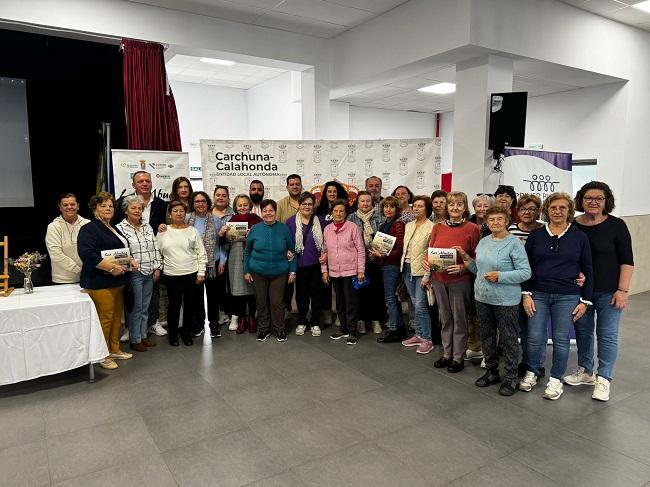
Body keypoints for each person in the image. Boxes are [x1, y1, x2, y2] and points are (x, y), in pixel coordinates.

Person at [518, 192, 593, 400]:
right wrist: (526, 293)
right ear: (546, 210)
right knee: (534, 337)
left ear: (569, 210)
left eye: (562, 207)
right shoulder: (536, 236)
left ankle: (556, 379)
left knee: (560, 339)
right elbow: (527, 267)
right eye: (553, 207)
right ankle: (532, 372)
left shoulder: (579, 237)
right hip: (538, 294)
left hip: (568, 295)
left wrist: (585, 301)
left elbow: (588, 269)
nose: (558, 211)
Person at [565, 181, 634, 401]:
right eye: (588, 198)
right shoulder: (573, 225)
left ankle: (604, 379)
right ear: (581, 200)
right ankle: (586, 372)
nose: (593, 202)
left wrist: (622, 290)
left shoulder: (617, 226)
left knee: (607, 335)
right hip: (581, 292)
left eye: (599, 198)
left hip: (609, 291)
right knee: (583, 332)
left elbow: (627, 261)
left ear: (606, 202)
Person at [455, 206, 531, 396]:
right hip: (482, 297)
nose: (495, 223)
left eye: (499, 219)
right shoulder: (484, 242)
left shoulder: (514, 244)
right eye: (491, 220)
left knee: (508, 339)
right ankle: (491, 372)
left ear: (506, 221)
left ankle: (511, 377)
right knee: (487, 336)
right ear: (487, 222)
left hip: (505, 300)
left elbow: (525, 272)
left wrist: (501, 276)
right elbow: (478, 270)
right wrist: (466, 259)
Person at [78, 191, 135, 370]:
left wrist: (130, 259)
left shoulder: (113, 227)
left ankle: (114, 349)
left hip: (117, 281)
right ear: (95, 209)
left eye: (110, 205)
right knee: (106, 319)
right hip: (99, 283)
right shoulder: (88, 229)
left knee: (117, 318)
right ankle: (102, 355)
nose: (108, 208)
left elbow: (121, 251)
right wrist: (111, 267)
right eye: (103, 205)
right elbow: (87, 255)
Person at [426, 191, 480, 373]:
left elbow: (476, 257)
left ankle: (458, 357)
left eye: (459, 204)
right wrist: (427, 261)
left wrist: (463, 268)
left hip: (460, 280)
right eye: (451, 204)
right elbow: (430, 249)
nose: (455, 208)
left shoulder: (472, 229)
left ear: (465, 208)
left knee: (460, 319)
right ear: (447, 207)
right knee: (445, 318)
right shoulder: (437, 227)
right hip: (439, 279)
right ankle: (447, 353)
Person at [113, 170, 168, 337]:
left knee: (152, 297)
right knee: (132, 301)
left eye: (147, 181)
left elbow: (164, 227)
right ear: (133, 185)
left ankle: (152, 323)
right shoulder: (122, 203)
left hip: (151, 262)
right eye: (140, 181)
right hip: (133, 266)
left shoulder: (161, 204)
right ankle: (131, 329)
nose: (145, 183)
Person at [244, 199, 297, 342]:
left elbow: (293, 251)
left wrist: (292, 271)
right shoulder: (255, 229)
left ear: (275, 212)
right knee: (261, 301)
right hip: (258, 271)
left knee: (277, 302)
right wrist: (246, 271)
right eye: (265, 211)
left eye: (271, 211)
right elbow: (247, 251)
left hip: (279, 272)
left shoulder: (284, 229)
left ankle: (280, 329)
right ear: (261, 212)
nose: (268, 213)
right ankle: (263, 329)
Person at [157, 200, 208, 347]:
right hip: (171, 275)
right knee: (174, 305)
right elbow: (158, 253)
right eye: (175, 211)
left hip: (191, 273)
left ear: (185, 213)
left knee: (189, 305)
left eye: (181, 211)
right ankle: (173, 334)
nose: (179, 213)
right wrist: (159, 268)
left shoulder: (192, 230)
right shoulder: (163, 231)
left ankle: (186, 332)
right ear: (170, 214)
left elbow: (201, 253)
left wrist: (201, 273)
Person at [116, 195, 162, 352]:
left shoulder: (147, 227)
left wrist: (157, 268)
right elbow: (120, 254)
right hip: (134, 274)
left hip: (150, 272)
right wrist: (129, 264)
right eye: (133, 208)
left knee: (145, 307)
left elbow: (155, 248)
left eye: (139, 208)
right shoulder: (119, 229)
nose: (137, 211)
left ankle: (143, 335)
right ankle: (135, 339)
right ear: (126, 210)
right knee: (135, 308)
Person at [508, 193, 544, 377]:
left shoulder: (544, 231)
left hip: (538, 285)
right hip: (514, 286)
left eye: (532, 209)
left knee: (535, 329)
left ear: (538, 211)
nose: (527, 212)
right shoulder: (511, 230)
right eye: (523, 208)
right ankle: (526, 361)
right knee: (520, 326)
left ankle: (536, 364)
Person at [322, 199, 366, 346]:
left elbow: (361, 250)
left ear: (346, 213)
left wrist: (361, 270)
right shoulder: (327, 229)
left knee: (351, 302)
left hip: (351, 272)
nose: (338, 213)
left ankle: (352, 331)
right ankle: (343, 328)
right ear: (331, 213)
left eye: (341, 211)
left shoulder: (353, 227)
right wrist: (324, 271)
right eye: (335, 211)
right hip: (334, 272)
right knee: (340, 302)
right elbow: (324, 251)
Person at [187, 191, 227, 338]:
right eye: (197, 201)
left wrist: (222, 260)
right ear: (193, 203)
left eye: (203, 201)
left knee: (213, 297)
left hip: (212, 264)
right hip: (194, 265)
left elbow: (222, 242)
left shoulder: (216, 220)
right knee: (196, 297)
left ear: (207, 202)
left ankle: (214, 324)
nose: (200, 204)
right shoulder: (186, 219)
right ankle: (199, 324)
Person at [286, 192, 326, 337]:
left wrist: (326, 254)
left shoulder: (321, 221)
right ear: (299, 205)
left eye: (310, 204)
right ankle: (302, 321)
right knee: (301, 295)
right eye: (304, 204)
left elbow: (327, 243)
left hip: (317, 264)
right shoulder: (290, 222)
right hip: (299, 264)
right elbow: (287, 242)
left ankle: (315, 322)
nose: (307, 207)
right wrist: (287, 252)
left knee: (316, 294)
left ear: (314, 205)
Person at [400, 196, 435, 354]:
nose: (416, 208)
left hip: (422, 270)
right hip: (407, 268)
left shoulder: (432, 227)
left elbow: (431, 252)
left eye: (420, 206)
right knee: (414, 303)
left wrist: (428, 275)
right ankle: (419, 334)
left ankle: (427, 339)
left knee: (421, 306)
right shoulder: (408, 225)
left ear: (427, 209)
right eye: (414, 206)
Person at [347, 190, 386, 334]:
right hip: (357, 261)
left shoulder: (380, 217)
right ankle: (361, 320)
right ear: (357, 203)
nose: (365, 203)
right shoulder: (351, 218)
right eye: (362, 201)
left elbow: (385, 238)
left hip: (376, 260)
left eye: (368, 201)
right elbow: (348, 240)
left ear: (372, 202)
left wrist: (375, 253)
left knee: (376, 291)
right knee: (359, 291)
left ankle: (376, 319)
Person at [223, 194, 262, 334]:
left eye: (245, 204)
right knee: (238, 291)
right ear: (235, 207)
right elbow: (225, 245)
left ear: (250, 206)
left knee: (252, 290)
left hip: (253, 258)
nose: (243, 207)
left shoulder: (257, 221)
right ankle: (242, 318)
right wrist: (223, 234)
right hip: (235, 258)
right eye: (239, 205)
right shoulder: (230, 221)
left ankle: (252, 317)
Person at [372, 196, 406, 343]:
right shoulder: (383, 224)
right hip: (384, 264)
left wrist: (383, 255)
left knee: (390, 299)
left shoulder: (398, 224)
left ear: (396, 209)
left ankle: (394, 330)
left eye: (391, 207)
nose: (388, 209)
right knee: (391, 298)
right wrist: (376, 253)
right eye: (386, 207)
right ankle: (398, 328)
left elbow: (400, 249)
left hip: (392, 265)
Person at [315, 180, 348, 326]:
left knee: (342, 287)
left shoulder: (345, 208)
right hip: (323, 250)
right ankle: (326, 311)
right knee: (324, 284)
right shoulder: (318, 210)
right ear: (325, 194)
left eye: (334, 191)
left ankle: (342, 314)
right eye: (329, 191)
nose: (332, 194)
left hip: (341, 252)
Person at [46, 192, 90, 284]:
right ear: (60, 207)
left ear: (78, 206)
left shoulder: (88, 224)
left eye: (72, 204)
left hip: (88, 277)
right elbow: (56, 254)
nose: (69, 207)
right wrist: (78, 270)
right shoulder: (53, 227)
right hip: (62, 280)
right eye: (65, 205)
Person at [212, 185, 235, 328]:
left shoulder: (234, 214)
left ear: (228, 198)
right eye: (218, 195)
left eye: (224, 195)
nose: (221, 198)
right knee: (218, 287)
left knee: (232, 286)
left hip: (231, 255)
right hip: (213, 258)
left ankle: (233, 314)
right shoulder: (207, 214)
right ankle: (220, 313)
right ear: (214, 196)